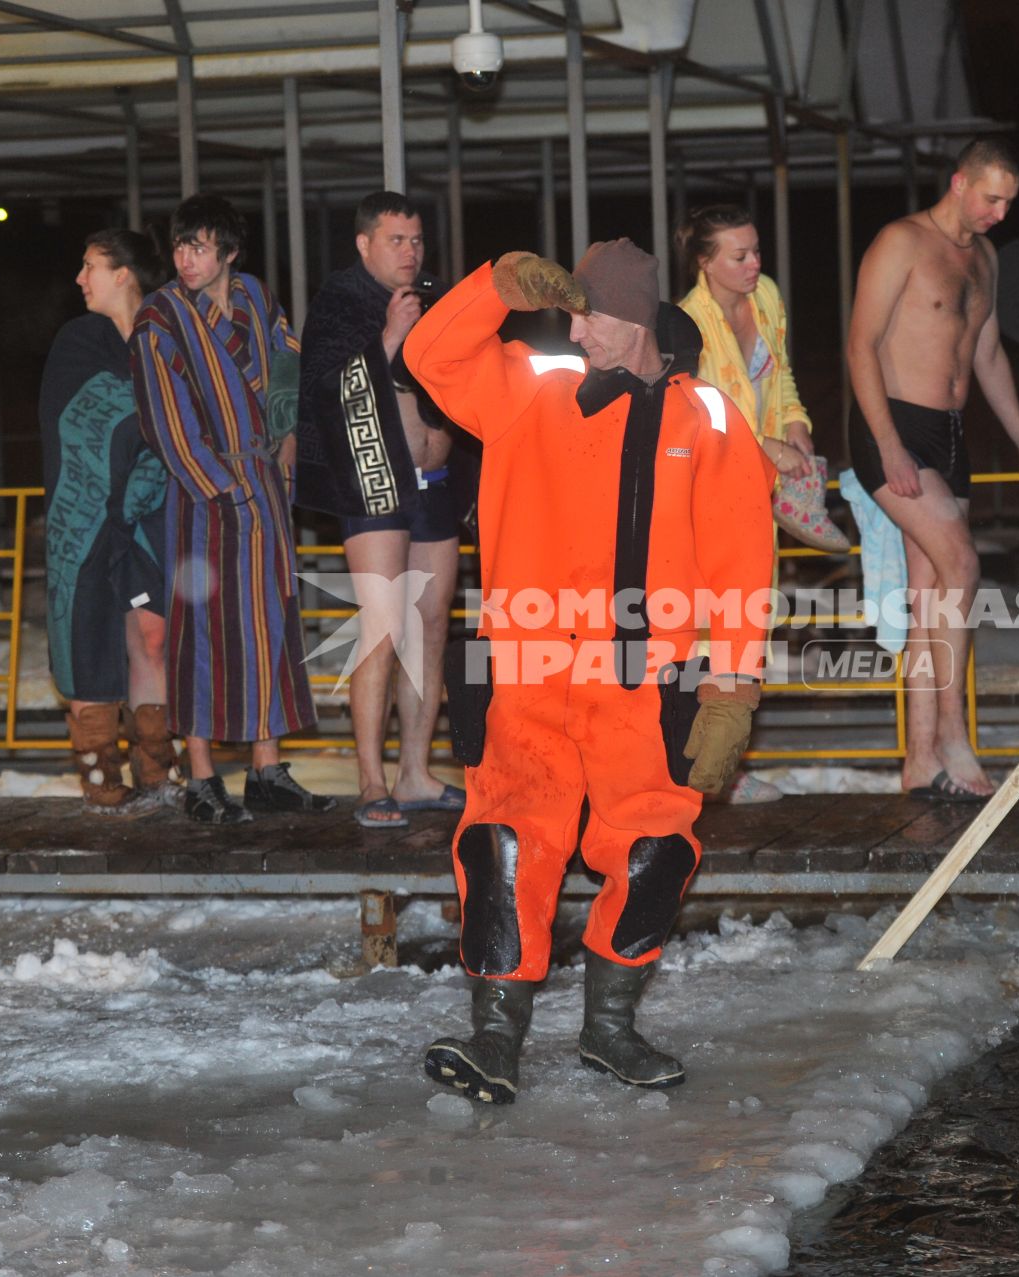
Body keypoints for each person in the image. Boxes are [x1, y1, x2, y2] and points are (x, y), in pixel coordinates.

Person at [404, 238, 775, 1104]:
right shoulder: (531, 385)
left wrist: (733, 682)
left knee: (653, 853)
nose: (576, 327)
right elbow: (429, 354)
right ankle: (494, 1036)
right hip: (525, 674)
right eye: (568, 309)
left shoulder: (710, 416)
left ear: (640, 321)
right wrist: (495, 286)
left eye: (593, 314)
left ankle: (611, 1027)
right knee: (502, 848)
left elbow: (742, 563)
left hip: (647, 687)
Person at [846, 135, 1019, 801]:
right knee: (963, 566)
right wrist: (886, 445)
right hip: (893, 428)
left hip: (948, 434)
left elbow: (990, 356)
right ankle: (953, 735)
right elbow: (860, 343)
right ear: (959, 183)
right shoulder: (901, 242)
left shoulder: (987, 257)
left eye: (1009, 202)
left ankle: (918, 762)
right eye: (992, 198)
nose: (1001, 212)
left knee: (931, 601)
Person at [132, 193, 332, 824]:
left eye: (199, 246)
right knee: (202, 632)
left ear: (229, 253)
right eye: (179, 246)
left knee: (269, 623)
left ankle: (266, 769)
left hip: (266, 484)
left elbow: (286, 363)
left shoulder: (253, 296)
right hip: (204, 498)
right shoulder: (159, 319)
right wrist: (222, 486)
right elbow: (166, 422)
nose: (185, 259)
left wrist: (289, 437)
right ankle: (200, 778)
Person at [296, 192, 463, 830]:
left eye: (416, 240)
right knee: (383, 623)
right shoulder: (341, 304)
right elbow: (323, 388)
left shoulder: (435, 301)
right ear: (364, 244)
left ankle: (415, 773)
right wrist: (389, 339)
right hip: (373, 481)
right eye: (396, 240)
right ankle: (370, 781)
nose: (410, 251)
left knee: (429, 625)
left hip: (436, 481)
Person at [676, 203, 832, 805]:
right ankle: (690, 765)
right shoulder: (689, 321)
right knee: (705, 634)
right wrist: (762, 444)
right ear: (705, 262)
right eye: (738, 256)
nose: (753, 264)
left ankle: (725, 764)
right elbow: (696, 409)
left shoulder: (765, 296)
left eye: (756, 251)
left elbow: (781, 372)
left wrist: (794, 422)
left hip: (758, 497)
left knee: (747, 630)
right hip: (708, 494)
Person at [39, 228, 181, 814]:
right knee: (87, 629)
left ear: (124, 274)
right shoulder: (81, 338)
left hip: (149, 505)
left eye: (89, 265)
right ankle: (99, 772)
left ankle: (157, 764)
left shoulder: (165, 337)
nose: (80, 278)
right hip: (87, 510)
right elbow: (76, 420)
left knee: (152, 631)